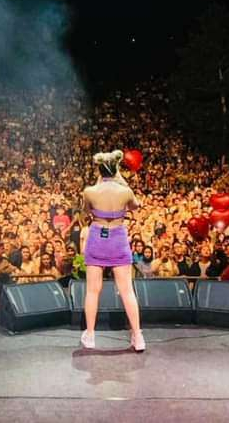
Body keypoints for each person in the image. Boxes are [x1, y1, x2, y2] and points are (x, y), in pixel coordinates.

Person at [80, 150, 145, 352]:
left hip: (97, 238)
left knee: (92, 290)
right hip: (118, 238)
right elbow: (136, 206)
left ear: (99, 170)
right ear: (116, 169)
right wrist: (120, 179)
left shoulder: (89, 191)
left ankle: (90, 335)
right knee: (127, 290)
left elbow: (86, 211)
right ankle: (138, 336)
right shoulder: (125, 191)